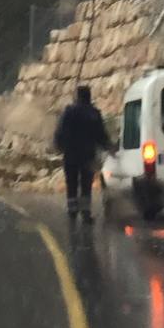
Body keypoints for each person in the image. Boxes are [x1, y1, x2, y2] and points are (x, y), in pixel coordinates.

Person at [54, 84, 111, 223]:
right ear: (89, 96)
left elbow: (60, 131)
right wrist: (109, 147)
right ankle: (86, 213)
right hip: (88, 155)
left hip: (71, 154)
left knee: (71, 182)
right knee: (86, 184)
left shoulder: (69, 112)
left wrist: (59, 146)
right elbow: (101, 134)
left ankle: (72, 211)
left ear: (77, 97)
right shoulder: (93, 113)